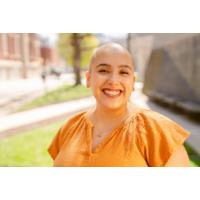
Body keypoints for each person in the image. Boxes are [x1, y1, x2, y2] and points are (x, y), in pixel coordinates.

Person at [48, 42, 190, 167]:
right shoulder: (69, 128)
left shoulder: (159, 131)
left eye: (123, 72)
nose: (113, 80)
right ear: (89, 78)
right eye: (103, 70)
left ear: (133, 82)